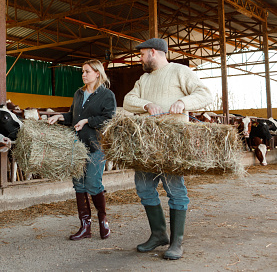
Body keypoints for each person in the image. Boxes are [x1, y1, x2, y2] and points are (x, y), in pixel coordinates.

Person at [123, 38, 212, 260]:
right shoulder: (143, 79)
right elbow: (127, 100)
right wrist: (146, 104)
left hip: (172, 143)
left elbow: (205, 94)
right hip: (146, 144)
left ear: (153, 52)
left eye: (142, 54)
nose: (140, 58)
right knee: (144, 187)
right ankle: (158, 234)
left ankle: (176, 242)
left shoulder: (180, 71)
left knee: (175, 190)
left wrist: (183, 102)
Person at [48, 59, 116, 240]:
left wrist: (88, 121)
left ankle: (103, 219)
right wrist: (60, 117)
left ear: (97, 73)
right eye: (82, 71)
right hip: (76, 146)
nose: (83, 74)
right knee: (79, 185)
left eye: (87, 71)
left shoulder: (106, 95)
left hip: (95, 144)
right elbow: (73, 115)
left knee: (93, 184)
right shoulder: (79, 93)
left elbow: (109, 119)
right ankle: (85, 226)